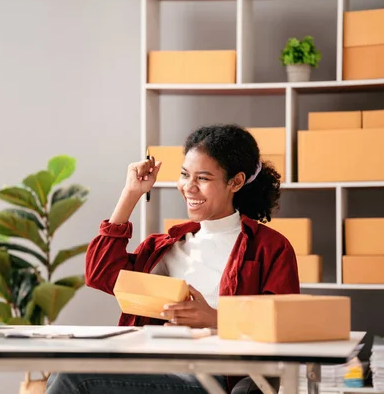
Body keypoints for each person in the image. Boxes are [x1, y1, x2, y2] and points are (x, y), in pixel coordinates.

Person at [46, 124, 300, 394]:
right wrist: (131, 194)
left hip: (209, 376)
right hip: (150, 365)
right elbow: (100, 274)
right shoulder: (167, 246)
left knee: (73, 377)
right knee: (65, 369)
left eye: (203, 178)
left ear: (235, 182)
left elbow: (287, 326)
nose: (189, 187)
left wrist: (216, 318)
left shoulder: (269, 248)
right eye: (184, 174)